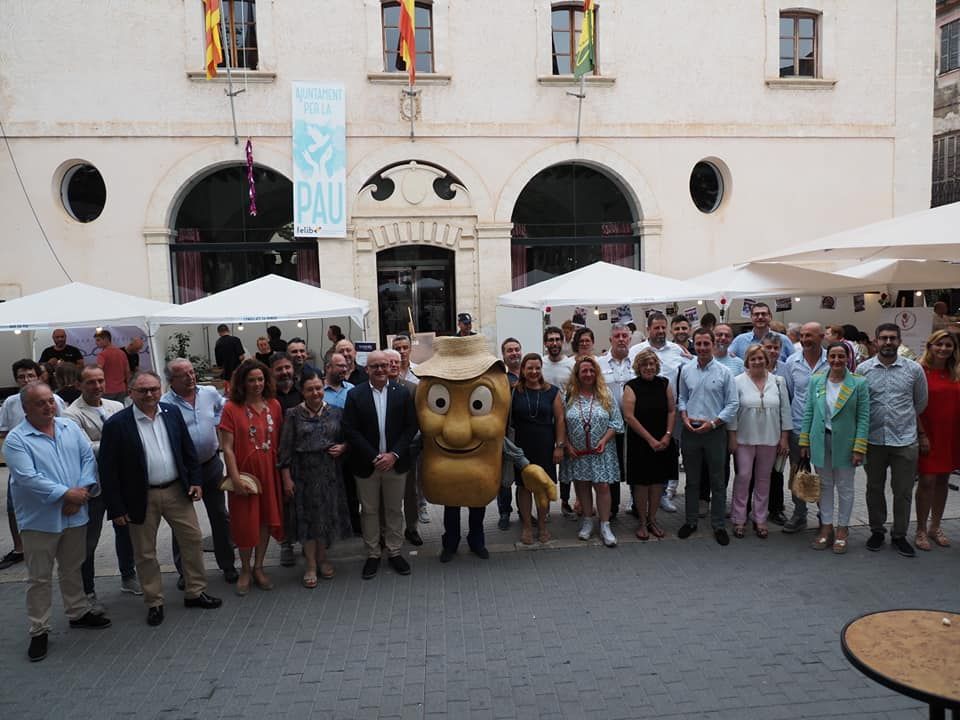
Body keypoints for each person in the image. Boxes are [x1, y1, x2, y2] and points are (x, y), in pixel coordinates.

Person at [99, 371, 222, 627]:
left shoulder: (171, 413)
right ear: (130, 392)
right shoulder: (117, 424)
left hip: (178, 490)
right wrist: (116, 507)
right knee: (145, 553)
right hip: (140, 496)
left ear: (160, 389)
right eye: (142, 390)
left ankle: (195, 591)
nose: (149, 395)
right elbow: (108, 471)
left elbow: (188, 451)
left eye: (154, 389)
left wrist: (196, 481)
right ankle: (154, 602)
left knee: (191, 541)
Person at [4, 382, 110, 661]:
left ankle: (77, 612)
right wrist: (67, 495)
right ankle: (39, 629)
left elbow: (88, 459)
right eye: (40, 403)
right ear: (26, 408)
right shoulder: (17, 439)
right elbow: (27, 478)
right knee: (39, 577)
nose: (49, 406)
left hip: (76, 513)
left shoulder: (69, 428)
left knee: (72, 567)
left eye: (50, 400)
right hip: (40, 520)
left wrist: (82, 491)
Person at [63, 366, 140, 607]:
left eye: (100, 381)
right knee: (89, 541)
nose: (97, 386)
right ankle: (87, 589)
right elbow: (83, 449)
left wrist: (111, 444)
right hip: (93, 488)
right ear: (79, 385)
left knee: (125, 532)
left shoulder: (115, 407)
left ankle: (128, 576)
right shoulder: (71, 414)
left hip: (118, 484)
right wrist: (116, 443)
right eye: (90, 382)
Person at [342, 350, 419, 580]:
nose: (379, 370)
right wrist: (374, 456)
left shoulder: (402, 392)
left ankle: (395, 551)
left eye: (383, 365)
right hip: (368, 465)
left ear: (390, 367)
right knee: (369, 511)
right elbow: (350, 429)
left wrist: (393, 455)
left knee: (395, 509)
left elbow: (410, 427)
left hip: (395, 464)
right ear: (367, 369)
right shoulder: (355, 395)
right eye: (374, 366)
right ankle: (373, 553)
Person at [161, 359, 237, 584]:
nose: (191, 377)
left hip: (210, 464)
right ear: (171, 380)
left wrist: (215, 423)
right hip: (181, 471)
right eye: (184, 375)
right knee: (181, 522)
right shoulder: (165, 404)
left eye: (192, 372)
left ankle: (228, 565)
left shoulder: (209, 393)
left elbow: (224, 408)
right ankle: (186, 572)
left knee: (220, 516)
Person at [857, 323, 928, 558]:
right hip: (874, 440)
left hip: (905, 440)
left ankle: (899, 535)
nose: (888, 342)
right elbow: (859, 404)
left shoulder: (914, 370)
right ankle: (877, 530)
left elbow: (920, 403)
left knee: (903, 490)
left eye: (893, 338)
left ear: (899, 341)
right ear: (876, 341)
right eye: (884, 338)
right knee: (874, 488)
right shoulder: (863, 369)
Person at [278, 371, 352, 586]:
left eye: (318, 388)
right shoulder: (292, 414)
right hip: (303, 475)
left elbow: (347, 437)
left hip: (329, 474)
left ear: (323, 388)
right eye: (310, 389)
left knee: (325, 519)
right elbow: (285, 449)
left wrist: (344, 446)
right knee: (308, 521)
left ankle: (323, 558)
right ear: (302, 391)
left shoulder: (336, 412)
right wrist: (286, 478)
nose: (315, 393)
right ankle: (310, 564)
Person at [218, 359, 285, 593]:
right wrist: (234, 478)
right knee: (245, 524)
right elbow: (226, 447)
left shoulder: (274, 406)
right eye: (251, 380)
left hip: (270, 474)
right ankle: (245, 569)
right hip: (244, 476)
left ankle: (259, 566)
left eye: (260, 379)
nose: (256, 384)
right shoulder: (231, 408)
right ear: (242, 383)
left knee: (265, 521)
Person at [800, 342, 870, 553]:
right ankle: (826, 527)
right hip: (821, 441)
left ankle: (843, 529)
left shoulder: (859, 383)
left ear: (848, 358)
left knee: (846, 488)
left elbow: (864, 417)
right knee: (825, 486)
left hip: (847, 444)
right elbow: (809, 412)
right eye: (833, 356)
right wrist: (804, 442)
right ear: (827, 358)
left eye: (841, 356)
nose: (837, 360)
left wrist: (859, 448)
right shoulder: (816, 381)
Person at [0, 360, 66, 571]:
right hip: (21, 460)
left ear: (39, 376)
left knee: (54, 497)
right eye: (21, 377)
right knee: (13, 506)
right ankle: (19, 548)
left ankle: (58, 540)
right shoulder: (10, 402)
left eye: (30, 375)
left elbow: (65, 426)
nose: (26, 380)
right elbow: (3, 430)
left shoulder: (54, 399)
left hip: (50, 459)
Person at [677, 327, 739, 546]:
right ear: (694, 344)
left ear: (714, 344)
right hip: (691, 431)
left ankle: (719, 525)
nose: (702, 348)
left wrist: (713, 423)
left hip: (714, 432)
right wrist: (683, 416)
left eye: (706, 343)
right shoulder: (686, 370)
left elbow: (733, 404)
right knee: (692, 481)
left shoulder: (724, 372)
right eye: (699, 344)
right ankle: (691, 521)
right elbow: (682, 397)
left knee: (718, 481)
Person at [629, 312, 692, 514]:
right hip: (641, 413)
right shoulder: (636, 350)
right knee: (640, 458)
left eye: (663, 327)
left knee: (665, 455)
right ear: (648, 329)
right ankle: (635, 500)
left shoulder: (676, 350)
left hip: (667, 413)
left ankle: (663, 495)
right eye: (656, 327)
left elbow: (693, 367)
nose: (660, 331)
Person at [559, 356, 625, 547]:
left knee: (603, 486)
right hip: (576, 452)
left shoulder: (605, 394)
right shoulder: (568, 396)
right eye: (583, 371)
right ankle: (587, 521)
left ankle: (605, 525)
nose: (588, 374)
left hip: (602, 451)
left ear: (596, 373)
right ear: (577, 375)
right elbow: (561, 422)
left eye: (591, 371)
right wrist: (567, 444)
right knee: (582, 485)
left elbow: (617, 422)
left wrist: (604, 440)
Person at [727, 345, 791, 539]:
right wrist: (732, 437)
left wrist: (785, 438)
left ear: (767, 360)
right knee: (743, 476)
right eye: (753, 358)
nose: (757, 362)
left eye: (760, 358)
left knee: (764, 479)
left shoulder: (779, 382)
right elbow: (732, 412)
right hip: (744, 438)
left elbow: (785, 412)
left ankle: (760, 518)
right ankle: (739, 518)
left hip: (770, 438)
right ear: (747, 361)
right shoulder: (737, 382)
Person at [622, 348, 677, 541]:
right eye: (644, 364)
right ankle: (642, 522)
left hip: (663, 440)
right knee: (641, 483)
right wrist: (650, 439)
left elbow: (672, 410)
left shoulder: (664, 384)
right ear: (638, 366)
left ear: (656, 366)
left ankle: (653, 519)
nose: (648, 367)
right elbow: (629, 416)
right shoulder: (631, 386)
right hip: (641, 442)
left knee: (657, 482)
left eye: (651, 364)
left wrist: (668, 435)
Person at [510, 353, 564, 545]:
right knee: (524, 487)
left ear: (542, 369)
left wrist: (559, 446)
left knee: (542, 486)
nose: (533, 372)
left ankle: (542, 525)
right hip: (521, 449)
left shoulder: (553, 392)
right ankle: (526, 526)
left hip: (545, 446)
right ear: (523, 370)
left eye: (537, 368)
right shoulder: (514, 392)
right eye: (529, 368)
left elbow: (559, 420)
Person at [914, 330, 960, 550]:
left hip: (951, 434)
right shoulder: (920, 370)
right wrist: (921, 434)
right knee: (927, 480)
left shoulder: (956, 373)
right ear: (930, 346)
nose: (943, 348)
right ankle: (920, 529)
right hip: (927, 433)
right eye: (939, 344)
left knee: (943, 480)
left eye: (948, 345)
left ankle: (935, 526)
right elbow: (913, 405)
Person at [781, 322, 828, 534]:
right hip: (799, 426)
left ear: (822, 336)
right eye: (802, 335)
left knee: (823, 473)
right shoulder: (792, 362)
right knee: (798, 471)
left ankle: (824, 516)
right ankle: (799, 514)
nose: (805, 339)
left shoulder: (832, 361)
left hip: (825, 428)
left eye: (810, 335)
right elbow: (790, 395)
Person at [597, 323, 635, 521]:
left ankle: (636, 503)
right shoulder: (600, 363)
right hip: (608, 424)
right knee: (611, 464)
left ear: (629, 339)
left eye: (624, 336)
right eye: (617, 336)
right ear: (610, 339)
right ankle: (611, 508)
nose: (621, 339)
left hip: (634, 422)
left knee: (634, 463)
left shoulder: (637, 362)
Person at [728, 302, 792, 361]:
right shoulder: (740, 340)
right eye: (756, 314)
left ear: (770, 317)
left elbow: (794, 361)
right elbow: (728, 358)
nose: (760, 317)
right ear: (751, 317)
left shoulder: (783, 339)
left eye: (763, 314)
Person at [94, 329, 131, 401]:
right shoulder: (122, 353)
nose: (96, 343)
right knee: (120, 410)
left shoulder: (102, 355)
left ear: (106, 340)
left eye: (98, 340)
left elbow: (98, 371)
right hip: (121, 389)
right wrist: (128, 386)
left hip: (107, 390)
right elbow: (127, 371)